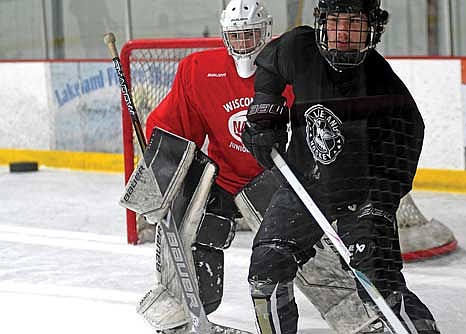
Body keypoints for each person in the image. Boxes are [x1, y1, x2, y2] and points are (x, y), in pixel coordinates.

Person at [241, 0, 441, 333]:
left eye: (354, 23)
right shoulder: (298, 48)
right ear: (321, 22)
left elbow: (398, 163)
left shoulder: (386, 90)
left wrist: (377, 210)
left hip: (362, 192)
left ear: (373, 29)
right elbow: (269, 66)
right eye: (336, 21)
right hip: (306, 182)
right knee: (265, 270)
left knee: (376, 276)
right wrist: (265, 112)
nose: (343, 33)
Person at [143, 0, 293, 330]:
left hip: (275, 182)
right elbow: (172, 127)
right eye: (236, 36)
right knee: (189, 233)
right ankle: (184, 311)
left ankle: (351, 309)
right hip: (224, 180)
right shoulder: (200, 71)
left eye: (251, 34)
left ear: (265, 32)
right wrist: (159, 170)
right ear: (225, 37)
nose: (244, 44)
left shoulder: (290, 69)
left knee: (291, 248)